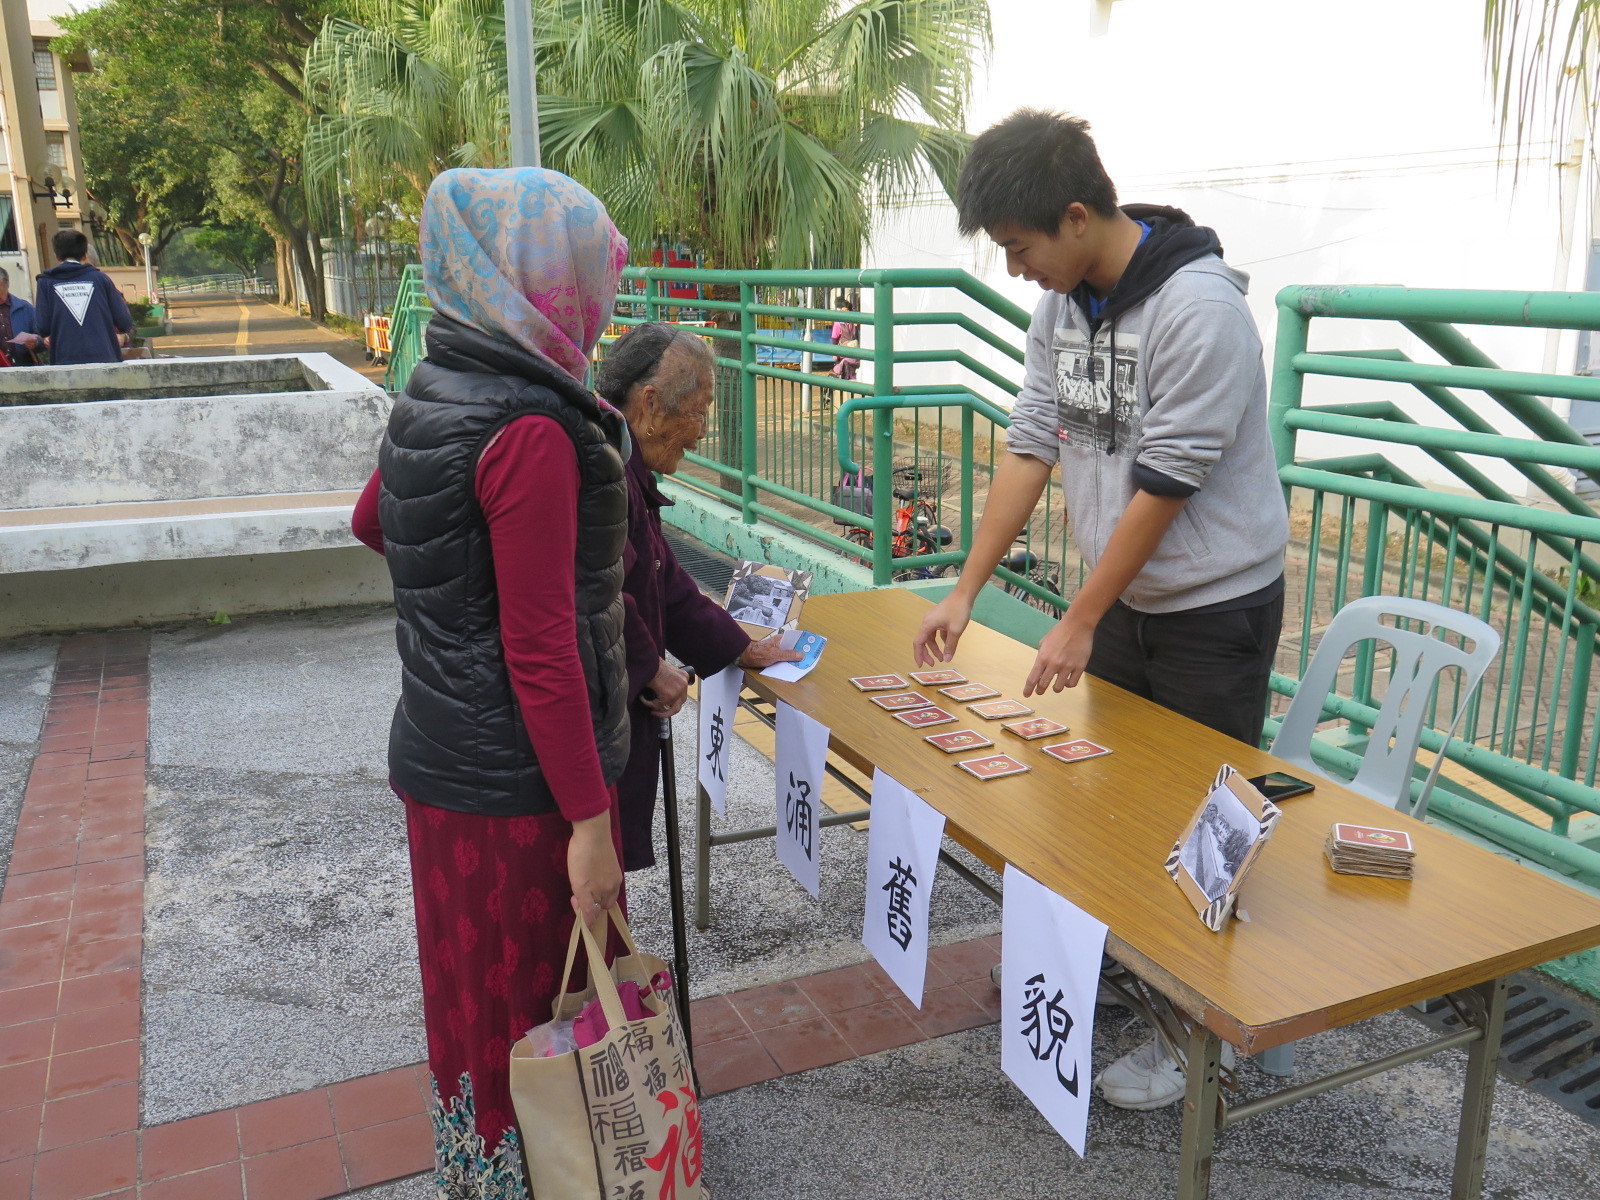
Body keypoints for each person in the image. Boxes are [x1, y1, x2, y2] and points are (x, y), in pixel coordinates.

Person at [911, 109, 1289, 1110]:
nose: (1015, 269)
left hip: (1212, 604)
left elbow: (1165, 483)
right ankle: (1130, 981)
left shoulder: (1199, 311)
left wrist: (1079, 618)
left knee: (1203, 819)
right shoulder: (1061, 312)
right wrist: (964, 587)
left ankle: (1198, 1038)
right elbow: (1032, 442)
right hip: (1120, 598)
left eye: (1020, 247)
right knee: (1109, 805)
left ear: (1075, 217)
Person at [350, 167, 634, 1197]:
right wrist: (592, 824)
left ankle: (473, 1176)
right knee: (533, 1013)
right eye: (585, 277)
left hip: (435, 763)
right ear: (539, 284)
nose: (597, 300)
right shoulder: (534, 432)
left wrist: (449, 606)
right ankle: (542, 1181)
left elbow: (373, 523)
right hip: (519, 792)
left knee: (467, 1002)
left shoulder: (437, 388)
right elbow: (543, 652)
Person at [593, 321, 803, 870]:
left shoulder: (622, 455)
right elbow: (592, 592)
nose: (704, 431)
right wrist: (649, 665)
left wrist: (737, 646)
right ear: (652, 404)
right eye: (701, 410)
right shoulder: (602, 467)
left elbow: (663, 576)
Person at [32, 229, 134, 366]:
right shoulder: (100, 279)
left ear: (57, 256)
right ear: (85, 255)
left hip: (65, 360)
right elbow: (124, 321)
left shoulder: (46, 283)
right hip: (105, 357)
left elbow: (43, 327)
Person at [829, 295, 860, 381]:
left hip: (856, 350)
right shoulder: (838, 324)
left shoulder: (855, 322)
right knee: (845, 364)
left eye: (846, 311)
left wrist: (858, 326)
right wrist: (834, 353)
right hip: (844, 350)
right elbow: (834, 339)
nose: (844, 313)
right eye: (842, 311)